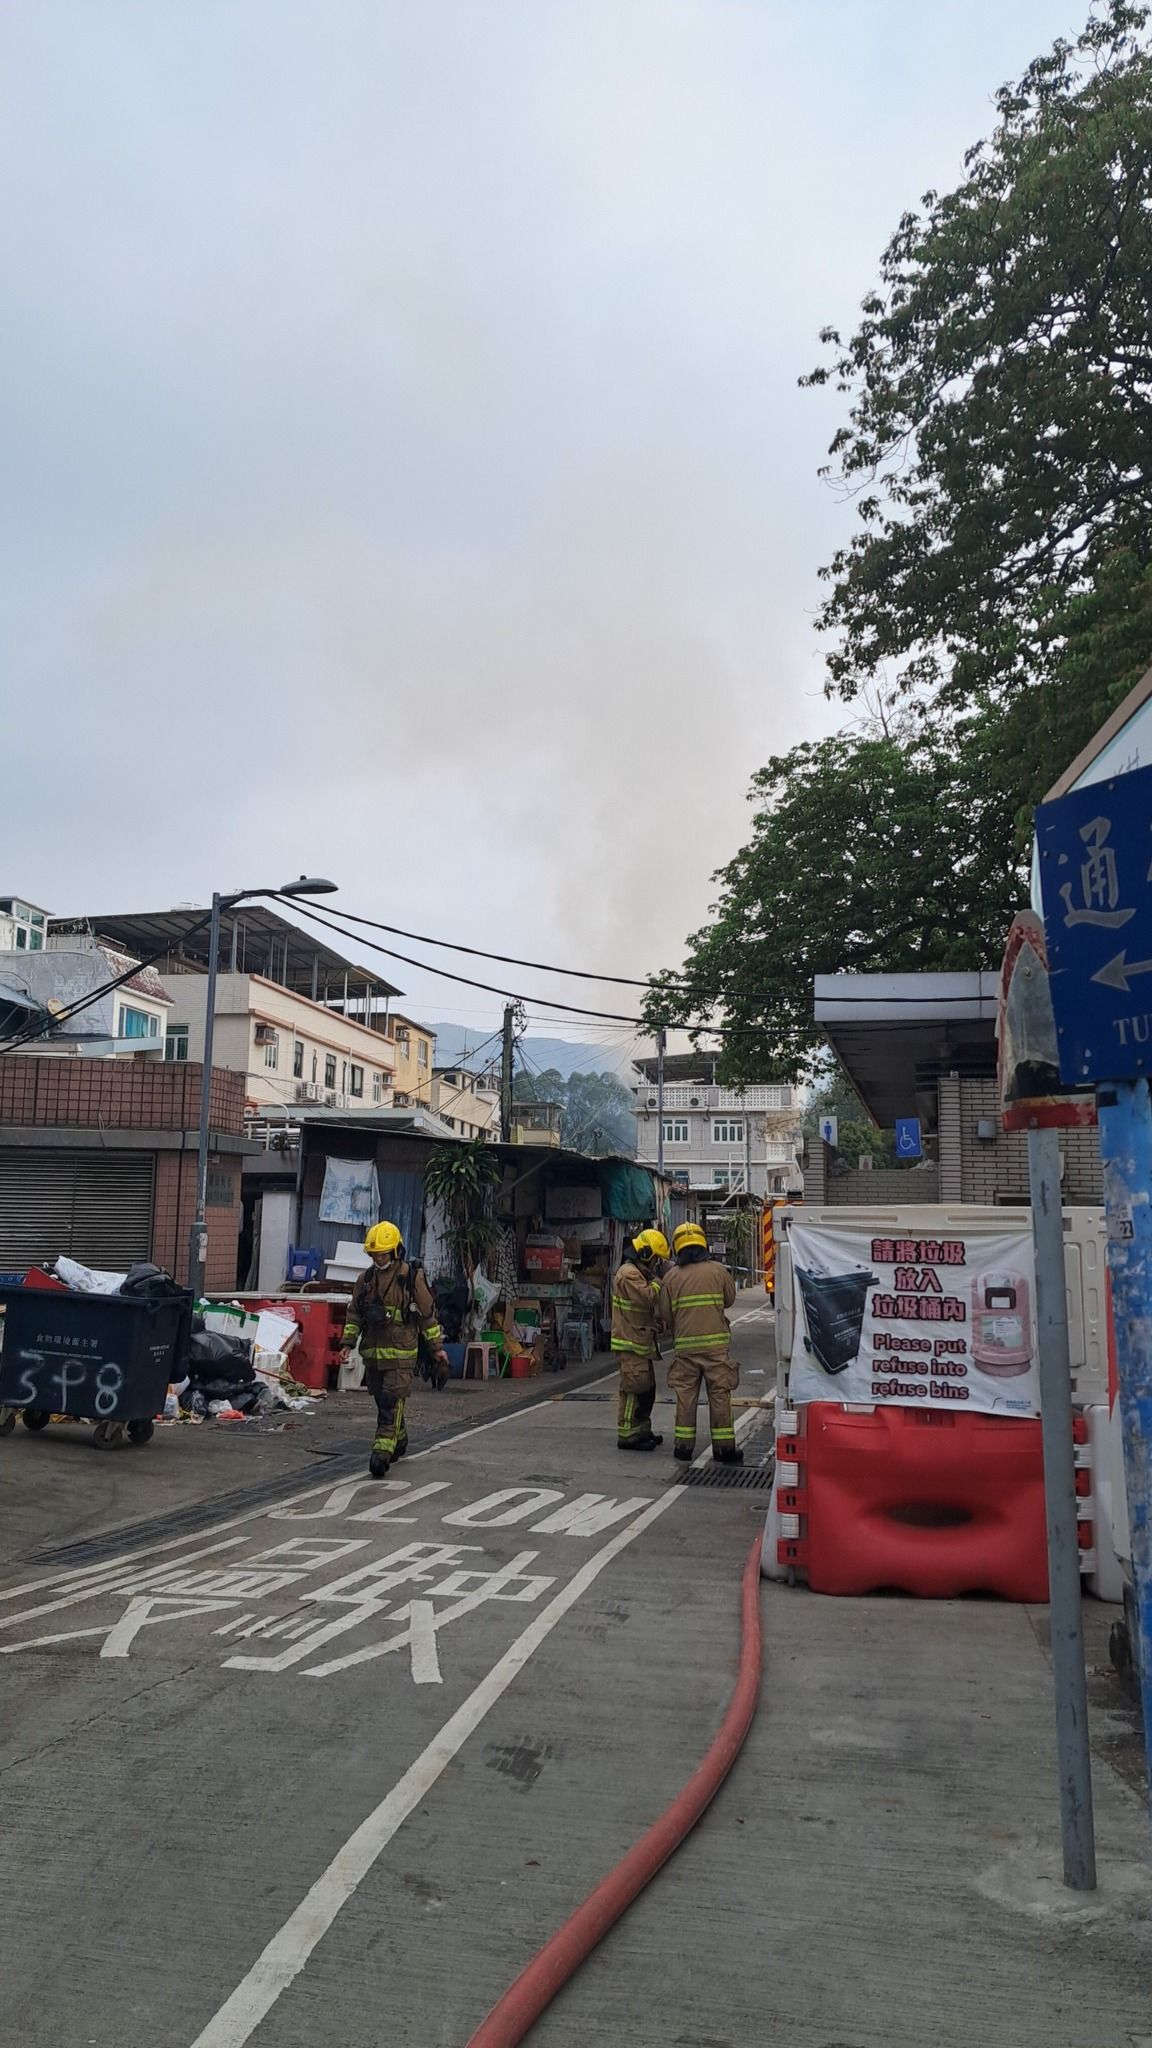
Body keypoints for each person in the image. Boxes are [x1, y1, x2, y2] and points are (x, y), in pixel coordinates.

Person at [339, 1220, 449, 1478]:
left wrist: (437, 1349)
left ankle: (381, 1453)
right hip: (374, 1354)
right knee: (382, 1400)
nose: (379, 1259)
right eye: (375, 1254)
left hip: (402, 1353)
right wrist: (347, 1343)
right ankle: (399, 1437)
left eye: (384, 1253)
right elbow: (354, 1314)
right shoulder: (365, 1280)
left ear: (396, 1251)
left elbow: (427, 1317)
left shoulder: (411, 1278)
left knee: (391, 1399)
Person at [658, 1221, 741, 1466]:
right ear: (703, 1244)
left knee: (686, 1396)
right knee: (719, 1395)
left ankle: (683, 1447)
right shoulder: (718, 1270)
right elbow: (729, 1300)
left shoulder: (671, 1277)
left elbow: (664, 1313)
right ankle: (724, 1449)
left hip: (685, 1349)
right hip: (716, 1348)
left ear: (677, 1248)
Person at [610, 1227, 670, 1452]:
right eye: (656, 1260)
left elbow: (638, 1310)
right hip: (630, 1343)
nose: (657, 1265)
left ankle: (642, 1429)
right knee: (633, 1388)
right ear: (646, 1254)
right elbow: (647, 1298)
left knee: (647, 1389)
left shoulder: (636, 1272)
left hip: (640, 1341)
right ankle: (627, 1434)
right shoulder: (629, 1274)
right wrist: (659, 1280)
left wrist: (655, 1323)